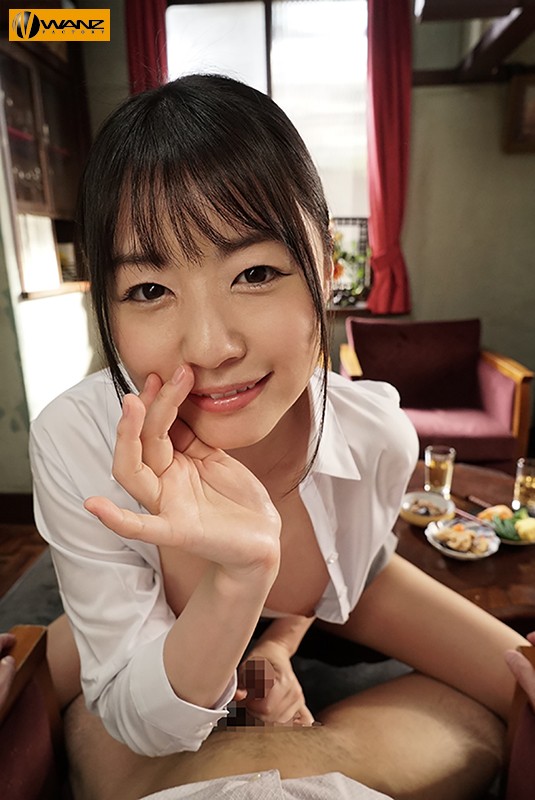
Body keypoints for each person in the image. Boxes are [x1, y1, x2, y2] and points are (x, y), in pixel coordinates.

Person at [29, 74, 533, 800]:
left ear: (326, 270)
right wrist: (237, 582)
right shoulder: (77, 442)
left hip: (344, 592)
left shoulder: (376, 439)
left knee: (513, 693)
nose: (209, 346)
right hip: (148, 619)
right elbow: (142, 721)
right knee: (53, 702)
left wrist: (274, 642)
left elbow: (339, 587)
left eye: (256, 272)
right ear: (105, 307)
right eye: (148, 290)